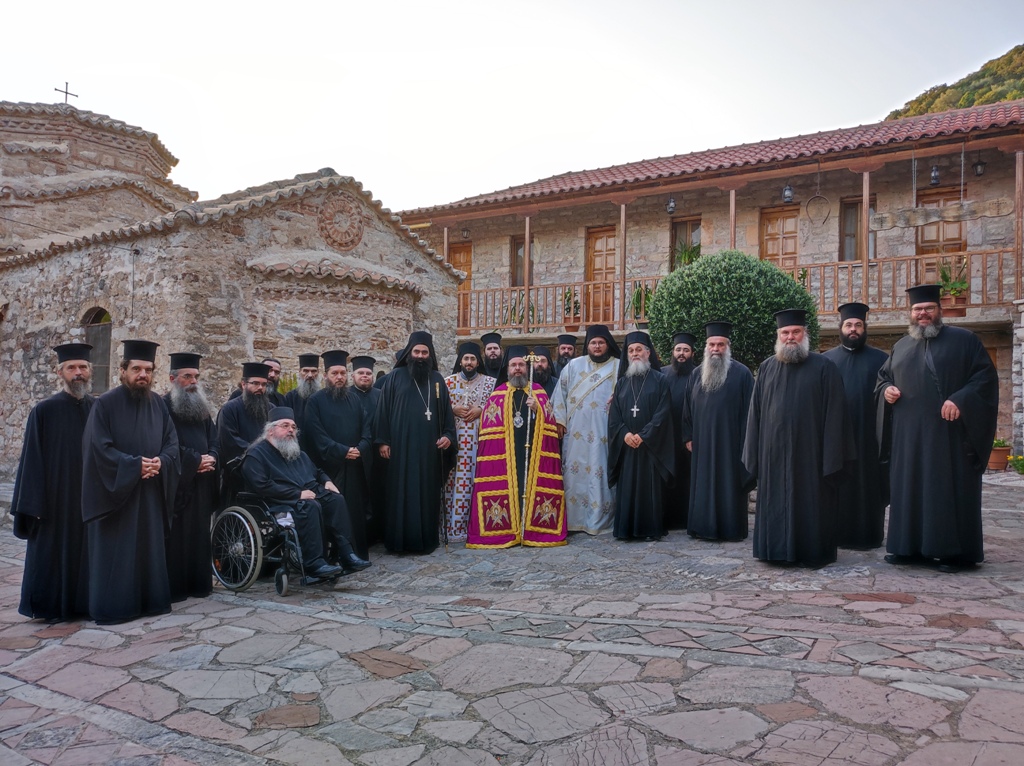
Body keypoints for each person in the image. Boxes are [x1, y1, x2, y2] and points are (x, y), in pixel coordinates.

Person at [877, 284, 998, 573]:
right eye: (918, 309)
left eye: (928, 308)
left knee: (945, 490)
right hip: (909, 439)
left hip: (949, 438)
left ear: (939, 310)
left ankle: (952, 553)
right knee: (909, 489)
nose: (923, 314)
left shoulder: (965, 340)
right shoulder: (901, 346)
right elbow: (883, 377)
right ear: (910, 313)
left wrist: (960, 399)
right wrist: (887, 390)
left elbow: (985, 379)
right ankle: (908, 548)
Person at [82, 339, 180, 624]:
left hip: (149, 493)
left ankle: (150, 603)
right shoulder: (105, 405)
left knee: (148, 550)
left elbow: (172, 443)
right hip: (117, 497)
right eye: (137, 369)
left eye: (148, 370)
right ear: (123, 370)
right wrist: (133, 466)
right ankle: (115, 608)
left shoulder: (158, 405)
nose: (143, 375)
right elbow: (98, 448)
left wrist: (161, 462)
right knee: (117, 555)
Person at [743, 309, 849, 568]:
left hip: (811, 455)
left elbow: (836, 415)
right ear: (778, 336)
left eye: (795, 332)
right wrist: (753, 453)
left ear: (805, 334)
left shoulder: (825, 367)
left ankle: (812, 552)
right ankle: (774, 551)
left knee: (811, 504)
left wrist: (831, 457)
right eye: (785, 333)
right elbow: (755, 414)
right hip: (773, 455)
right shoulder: (767, 368)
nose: (790, 337)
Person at [12, 342, 95, 621]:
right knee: (53, 554)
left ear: (89, 371)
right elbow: (32, 460)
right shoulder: (44, 410)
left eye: (82, 367)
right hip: (55, 500)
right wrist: (33, 505)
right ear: (60, 372)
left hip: (90, 499)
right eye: (71, 367)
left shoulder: (98, 408)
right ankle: (51, 607)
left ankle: (85, 605)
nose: (78, 373)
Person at [241, 407, 369, 579]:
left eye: (293, 427)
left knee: (336, 500)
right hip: (278, 502)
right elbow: (261, 486)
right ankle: (314, 563)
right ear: (270, 431)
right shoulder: (256, 454)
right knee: (310, 506)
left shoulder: (295, 451)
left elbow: (316, 471)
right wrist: (297, 495)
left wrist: (327, 481)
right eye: (285, 426)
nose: (290, 430)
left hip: (307, 494)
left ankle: (346, 555)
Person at [467, 346, 566, 547]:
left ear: (526, 367)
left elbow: (551, 425)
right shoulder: (497, 395)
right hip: (507, 456)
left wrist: (538, 410)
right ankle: (508, 529)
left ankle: (532, 529)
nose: (518, 369)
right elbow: (487, 433)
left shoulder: (538, 393)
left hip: (533, 456)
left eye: (521, 365)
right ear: (508, 369)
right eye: (514, 365)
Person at [375, 331, 457, 553]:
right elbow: (382, 411)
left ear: (430, 355)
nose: (420, 356)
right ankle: (398, 542)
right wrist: (383, 441)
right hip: (400, 450)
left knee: (426, 494)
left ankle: (426, 541)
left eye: (424, 352)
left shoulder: (437, 380)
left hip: (428, 451)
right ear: (409, 353)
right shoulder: (394, 378)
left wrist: (448, 437)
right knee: (400, 494)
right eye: (417, 351)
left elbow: (447, 416)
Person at [822, 303, 890, 549]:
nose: (853, 329)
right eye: (848, 325)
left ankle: (869, 536)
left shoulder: (882, 360)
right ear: (840, 328)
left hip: (869, 439)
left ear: (865, 328)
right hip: (836, 438)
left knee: (867, 488)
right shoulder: (825, 361)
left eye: (858, 325)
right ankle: (835, 534)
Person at [682, 322, 755, 542]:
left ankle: (730, 529)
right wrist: (688, 435)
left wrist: (747, 443)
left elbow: (751, 411)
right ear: (706, 347)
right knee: (702, 484)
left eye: (720, 345)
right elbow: (687, 408)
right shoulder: (696, 374)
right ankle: (701, 527)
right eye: (712, 344)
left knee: (729, 485)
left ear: (728, 346)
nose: (715, 349)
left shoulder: (742, 374)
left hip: (731, 444)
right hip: (702, 443)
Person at [551, 324, 619, 534]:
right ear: (587, 345)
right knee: (575, 473)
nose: (597, 346)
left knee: (601, 470)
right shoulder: (573, 366)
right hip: (576, 432)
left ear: (607, 344)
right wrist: (560, 421)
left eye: (601, 342)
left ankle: (601, 520)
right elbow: (559, 396)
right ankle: (574, 520)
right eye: (593, 343)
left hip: (604, 432)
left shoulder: (618, 366)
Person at [304, 350, 372, 559]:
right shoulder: (315, 401)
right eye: (335, 373)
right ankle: (333, 556)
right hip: (329, 468)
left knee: (355, 511)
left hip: (355, 466)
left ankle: (356, 554)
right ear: (326, 376)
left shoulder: (355, 400)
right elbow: (316, 435)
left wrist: (360, 448)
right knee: (332, 512)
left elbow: (367, 429)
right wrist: (343, 451)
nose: (340, 377)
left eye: (343, 373)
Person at [163, 352, 219, 601]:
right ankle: (176, 587)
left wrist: (212, 457)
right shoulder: (164, 406)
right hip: (179, 482)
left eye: (196, 376)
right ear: (173, 378)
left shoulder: (202, 409)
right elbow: (166, 443)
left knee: (199, 533)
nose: (193, 381)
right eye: (187, 376)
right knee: (178, 536)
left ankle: (199, 584)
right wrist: (195, 461)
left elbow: (214, 439)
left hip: (203, 482)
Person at [608, 332, 674, 540]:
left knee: (649, 489)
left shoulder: (661, 380)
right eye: (631, 350)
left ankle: (649, 529)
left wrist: (644, 435)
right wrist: (626, 434)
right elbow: (615, 415)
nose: (635, 353)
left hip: (650, 448)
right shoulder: (621, 383)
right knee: (627, 489)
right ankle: (626, 530)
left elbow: (663, 413)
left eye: (639, 350)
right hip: (628, 447)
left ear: (648, 353)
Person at [444, 342, 496, 542]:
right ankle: (453, 527)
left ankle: (475, 526)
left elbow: (496, 407)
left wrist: (481, 410)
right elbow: (440, 410)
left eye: (472, 359)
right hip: (455, 443)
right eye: (466, 358)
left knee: (476, 483)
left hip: (480, 442)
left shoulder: (490, 383)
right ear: (460, 361)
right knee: (453, 484)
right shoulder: (448, 382)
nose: (469, 362)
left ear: (478, 361)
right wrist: (453, 410)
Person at [217, 362, 272, 500]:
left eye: (264, 384)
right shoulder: (230, 409)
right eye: (255, 383)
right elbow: (229, 442)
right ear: (243, 384)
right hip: (238, 474)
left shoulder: (271, 409)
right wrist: (258, 457)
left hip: (268, 473)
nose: (260, 388)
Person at [663, 331, 697, 530]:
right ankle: (668, 518)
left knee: (688, 478)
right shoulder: (662, 373)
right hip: (667, 435)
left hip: (690, 437)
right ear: (673, 352)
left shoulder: (699, 374)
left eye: (685, 350)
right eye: (678, 350)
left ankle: (688, 519)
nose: (681, 354)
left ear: (692, 353)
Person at [351, 355, 385, 544]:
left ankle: (377, 533)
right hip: (355, 453)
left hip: (377, 453)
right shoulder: (347, 395)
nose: (365, 376)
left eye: (368, 373)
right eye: (361, 373)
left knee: (377, 491)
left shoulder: (380, 395)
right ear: (353, 375)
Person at [284, 353, 321, 454]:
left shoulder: (324, 396)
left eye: (313, 371)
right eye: (305, 371)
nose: (310, 375)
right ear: (299, 372)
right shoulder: (290, 397)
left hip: (320, 448)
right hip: (296, 448)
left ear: (318, 372)